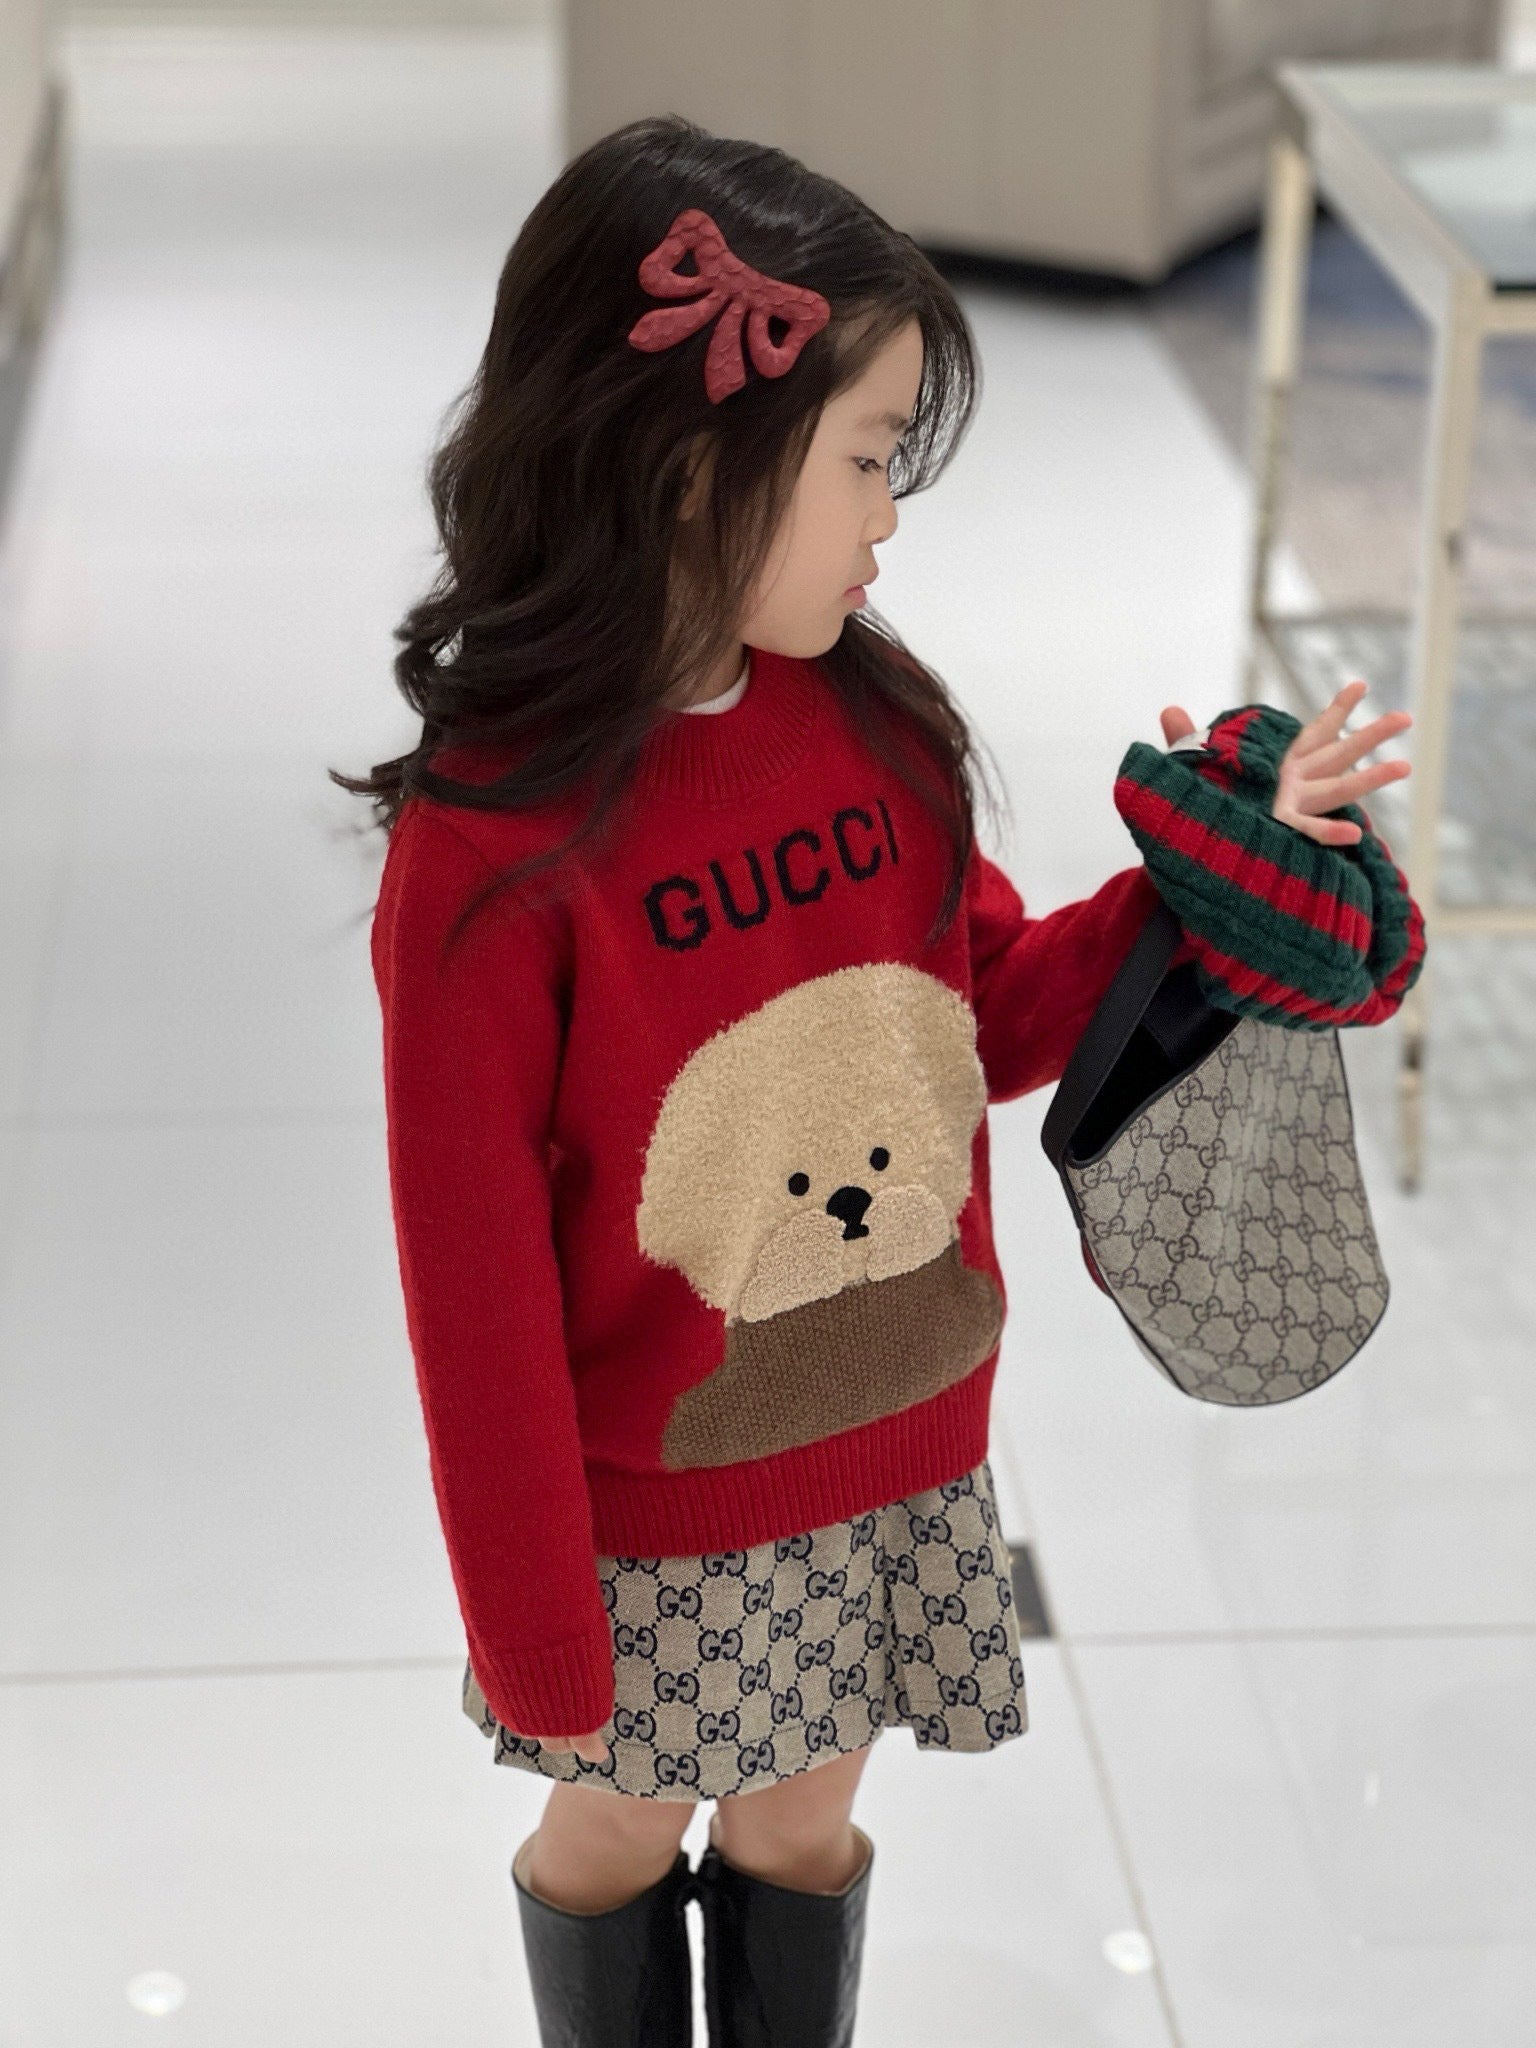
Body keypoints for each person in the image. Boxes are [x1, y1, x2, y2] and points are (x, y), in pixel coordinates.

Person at [335, 113, 1426, 2048]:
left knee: (807, 1814)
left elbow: (974, 1015)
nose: (888, 520)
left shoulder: (872, 723)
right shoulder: (493, 852)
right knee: (616, 1822)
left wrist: (1198, 880)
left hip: (894, 1436)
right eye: (864, 459)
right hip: (645, 1508)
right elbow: (470, 1275)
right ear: (692, 468)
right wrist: (531, 1616)